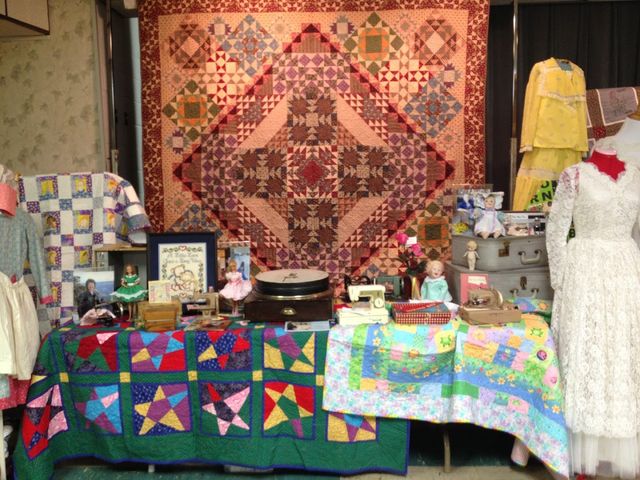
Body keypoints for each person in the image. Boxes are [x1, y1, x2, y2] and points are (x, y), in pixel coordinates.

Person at [546, 144, 640, 478]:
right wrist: (560, 280)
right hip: (584, 270)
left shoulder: (637, 175)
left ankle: (617, 450)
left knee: (621, 353)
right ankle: (580, 451)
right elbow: (556, 229)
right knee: (587, 350)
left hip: (626, 270)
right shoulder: (573, 175)